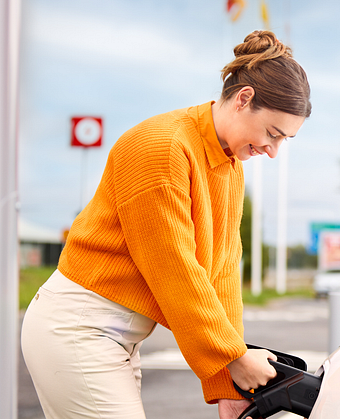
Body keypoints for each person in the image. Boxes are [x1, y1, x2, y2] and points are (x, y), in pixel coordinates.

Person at [21, 29, 311, 419]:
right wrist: (234, 357)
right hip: (79, 329)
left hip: (115, 338)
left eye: (284, 141)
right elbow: (174, 270)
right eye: (273, 134)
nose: (273, 151)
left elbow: (221, 274)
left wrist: (230, 383)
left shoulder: (227, 166)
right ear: (244, 99)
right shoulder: (162, 147)